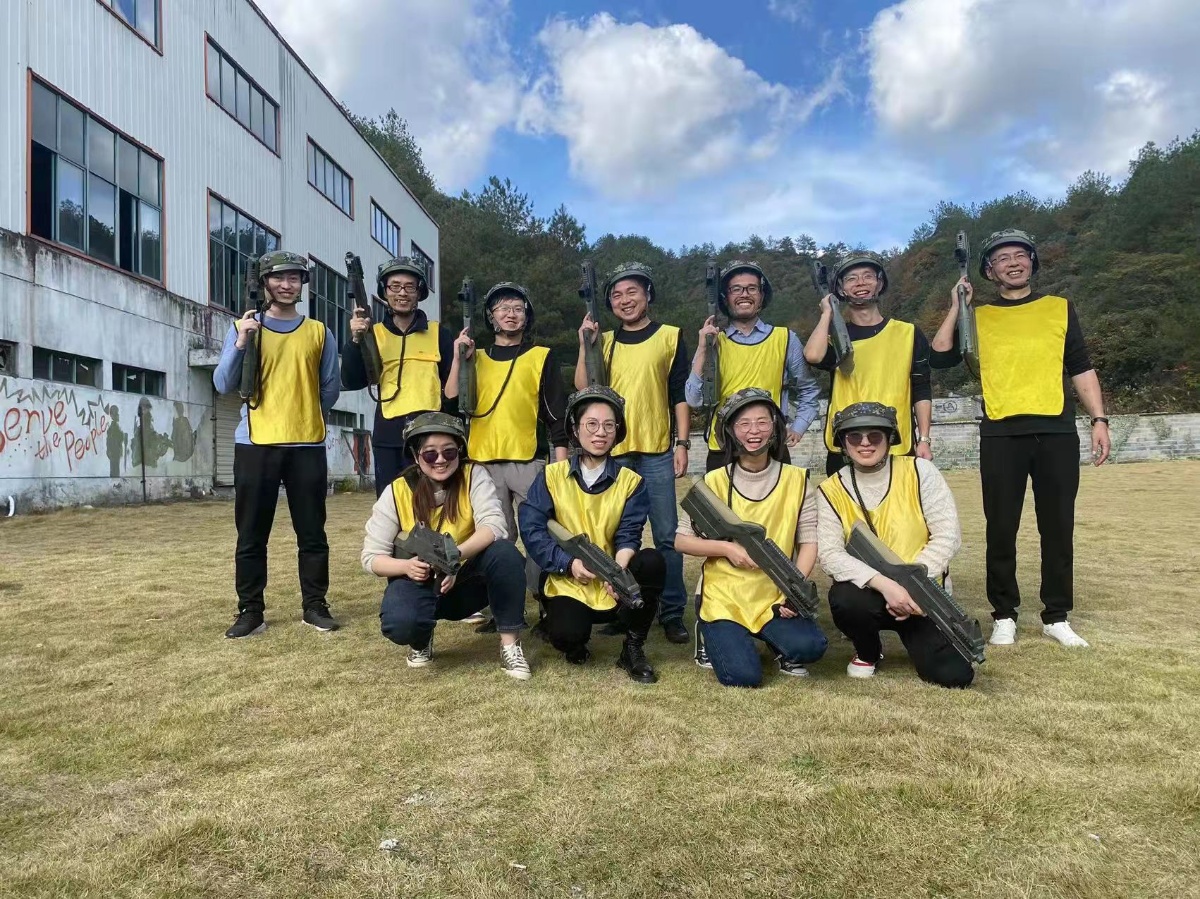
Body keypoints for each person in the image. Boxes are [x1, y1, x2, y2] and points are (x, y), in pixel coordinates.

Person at [931, 229, 1110, 648]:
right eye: (1002, 258)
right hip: (1001, 433)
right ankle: (1004, 615)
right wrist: (958, 305)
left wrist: (1099, 419)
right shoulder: (978, 317)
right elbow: (939, 355)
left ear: (1032, 261)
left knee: (1058, 526)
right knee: (1001, 527)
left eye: (1020, 255)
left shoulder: (1059, 308)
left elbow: (1081, 366)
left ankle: (1056, 616)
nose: (1013, 263)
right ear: (989, 271)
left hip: (1056, 429)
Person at [212, 250, 340, 639]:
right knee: (251, 534)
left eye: (294, 278)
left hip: (306, 443)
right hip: (256, 443)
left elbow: (329, 389)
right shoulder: (244, 327)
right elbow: (222, 383)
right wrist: (241, 342)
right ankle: (250, 610)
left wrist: (302, 411)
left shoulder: (319, 332)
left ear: (302, 284)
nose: (287, 285)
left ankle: (315, 606)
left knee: (312, 533)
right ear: (265, 282)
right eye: (279, 278)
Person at [675, 389, 827, 687]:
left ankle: (774, 642)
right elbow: (682, 541)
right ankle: (711, 631)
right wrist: (726, 548)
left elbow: (809, 541)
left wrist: (793, 590)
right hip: (725, 595)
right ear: (731, 432)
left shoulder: (798, 480)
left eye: (762, 422)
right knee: (742, 676)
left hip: (773, 593)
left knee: (812, 647)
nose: (753, 431)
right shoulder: (713, 482)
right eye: (743, 424)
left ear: (775, 427)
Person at [363, 413, 531, 679]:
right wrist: (406, 567)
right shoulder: (396, 491)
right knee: (400, 623)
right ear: (416, 455)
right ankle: (420, 638)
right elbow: (371, 557)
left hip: (463, 582)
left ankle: (510, 645)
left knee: (505, 553)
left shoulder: (474, 475)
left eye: (449, 452)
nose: (440, 460)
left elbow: (494, 526)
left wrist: (453, 559)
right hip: (419, 580)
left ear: (460, 452)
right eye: (430, 454)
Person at [817, 402, 974, 688]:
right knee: (845, 600)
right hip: (869, 592)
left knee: (955, 676)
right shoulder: (830, 489)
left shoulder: (920, 471)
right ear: (843, 443)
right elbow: (830, 554)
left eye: (875, 436)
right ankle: (868, 651)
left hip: (922, 596)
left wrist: (911, 588)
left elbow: (947, 536)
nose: (865, 443)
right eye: (854, 436)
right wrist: (886, 586)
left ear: (890, 438)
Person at [574, 262, 690, 645]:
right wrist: (585, 344)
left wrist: (682, 443)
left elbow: (679, 393)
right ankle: (620, 607)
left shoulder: (670, 336)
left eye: (632, 292)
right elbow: (583, 388)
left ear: (648, 294)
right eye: (616, 295)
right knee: (614, 535)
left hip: (656, 451)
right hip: (615, 452)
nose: (624, 300)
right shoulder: (603, 340)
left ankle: (671, 612)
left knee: (667, 536)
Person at [445, 281, 570, 630]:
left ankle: (548, 606)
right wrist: (458, 358)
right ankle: (503, 611)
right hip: (482, 463)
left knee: (541, 535)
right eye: (502, 308)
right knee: (496, 540)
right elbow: (451, 401)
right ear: (491, 316)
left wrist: (560, 463)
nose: (510, 314)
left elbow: (555, 413)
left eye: (517, 307)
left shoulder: (541, 356)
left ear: (526, 315)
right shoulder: (475, 357)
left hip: (528, 460)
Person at [519, 387, 664, 683]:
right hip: (567, 580)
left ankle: (632, 648)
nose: (601, 432)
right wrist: (569, 563)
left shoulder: (632, 482)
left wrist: (618, 573)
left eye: (609, 425)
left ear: (618, 430)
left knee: (653, 562)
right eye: (592, 424)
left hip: (612, 580)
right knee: (567, 635)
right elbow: (533, 530)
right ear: (575, 429)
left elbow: (629, 534)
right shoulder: (551, 476)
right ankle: (562, 631)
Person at [804, 252, 934, 476]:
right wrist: (827, 313)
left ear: (879, 283)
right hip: (845, 442)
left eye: (868, 276)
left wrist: (924, 439)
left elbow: (921, 389)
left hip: (896, 441)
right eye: (851, 278)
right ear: (841, 289)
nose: (860, 283)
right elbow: (813, 356)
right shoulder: (836, 339)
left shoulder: (908, 333)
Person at [686, 260, 822, 471]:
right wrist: (703, 348)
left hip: (772, 449)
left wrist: (799, 427)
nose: (744, 294)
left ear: (761, 295)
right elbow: (693, 399)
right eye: (736, 289)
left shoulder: (785, 338)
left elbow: (809, 389)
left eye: (752, 288)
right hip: (723, 449)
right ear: (725, 297)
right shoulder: (712, 340)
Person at [343, 256, 455, 496]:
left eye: (409, 287)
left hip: (430, 437)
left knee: (433, 503)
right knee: (390, 504)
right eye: (395, 286)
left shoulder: (439, 334)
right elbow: (352, 381)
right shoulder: (373, 334)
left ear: (419, 292)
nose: (402, 293)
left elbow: (451, 388)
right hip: (388, 437)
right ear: (385, 291)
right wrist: (355, 341)